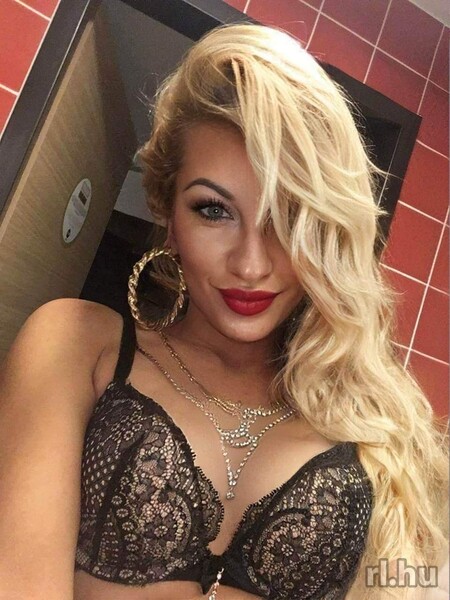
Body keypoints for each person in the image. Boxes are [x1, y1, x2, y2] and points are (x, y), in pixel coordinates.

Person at [0, 22, 448, 600]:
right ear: (168, 215)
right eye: (214, 210)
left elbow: (413, 579)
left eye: (289, 217)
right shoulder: (78, 343)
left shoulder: (369, 424)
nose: (251, 264)